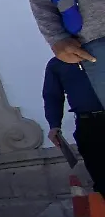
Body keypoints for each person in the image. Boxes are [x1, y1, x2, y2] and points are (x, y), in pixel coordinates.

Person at [43, 56, 105, 193]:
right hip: (89, 124)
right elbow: (52, 96)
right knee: (101, 177)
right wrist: (54, 124)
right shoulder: (57, 64)